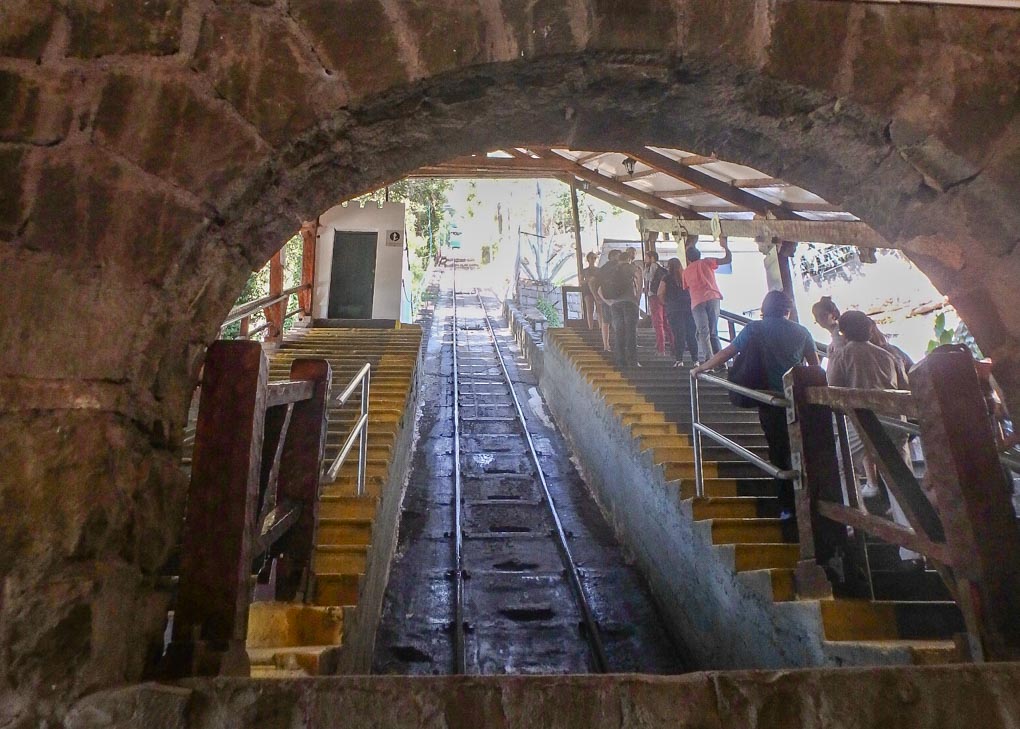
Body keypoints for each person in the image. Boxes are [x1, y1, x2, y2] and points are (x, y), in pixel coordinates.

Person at [692, 291, 819, 526]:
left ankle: (787, 507)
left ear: (764, 308)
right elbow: (815, 368)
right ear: (787, 310)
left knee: (778, 452)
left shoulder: (755, 329)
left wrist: (701, 368)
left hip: (769, 399)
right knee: (803, 450)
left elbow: (727, 353)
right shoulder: (802, 332)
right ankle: (813, 503)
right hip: (797, 400)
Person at [827, 310, 918, 564]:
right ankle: (912, 549)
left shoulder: (842, 354)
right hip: (895, 421)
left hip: (864, 420)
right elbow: (904, 388)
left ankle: (856, 516)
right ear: (868, 329)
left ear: (843, 331)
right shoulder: (888, 354)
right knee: (900, 477)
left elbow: (832, 390)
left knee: (842, 463)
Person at [683, 235, 731, 364]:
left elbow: (686, 288)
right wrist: (725, 246)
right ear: (699, 255)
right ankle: (721, 362)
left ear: (688, 259)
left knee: (703, 332)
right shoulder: (707, 261)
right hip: (713, 297)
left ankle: (709, 361)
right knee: (713, 332)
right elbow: (727, 259)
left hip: (697, 301)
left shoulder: (686, 271)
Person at [597, 247, 642, 368]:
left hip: (615, 304)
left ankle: (620, 361)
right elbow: (639, 276)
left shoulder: (611, 270)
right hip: (629, 302)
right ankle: (632, 361)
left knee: (619, 332)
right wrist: (638, 296)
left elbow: (599, 289)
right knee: (631, 331)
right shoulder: (630, 267)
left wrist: (608, 301)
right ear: (628, 259)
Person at [658, 258, 699, 367]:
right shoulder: (686, 276)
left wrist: (666, 304)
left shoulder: (666, 278)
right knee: (691, 334)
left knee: (678, 334)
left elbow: (660, 293)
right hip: (688, 308)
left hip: (674, 309)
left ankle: (679, 360)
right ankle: (696, 360)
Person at [593, 249, 622, 352]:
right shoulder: (618, 268)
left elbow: (596, 283)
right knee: (616, 321)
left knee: (606, 321)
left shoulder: (603, 269)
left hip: (606, 296)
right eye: (618, 256)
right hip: (616, 297)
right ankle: (617, 344)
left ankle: (606, 345)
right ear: (613, 256)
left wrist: (598, 296)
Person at [645, 250, 673, 356]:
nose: (645, 259)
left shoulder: (652, 266)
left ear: (652, 257)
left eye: (646, 257)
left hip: (654, 296)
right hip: (663, 296)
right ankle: (673, 345)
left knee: (658, 323)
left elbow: (649, 278)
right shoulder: (661, 268)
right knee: (665, 323)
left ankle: (661, 349)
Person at [579, 251, 599, 330]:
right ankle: (590, 327)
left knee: (599, 309)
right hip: (587, 290)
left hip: (597, 290)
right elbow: (581, 282)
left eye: (595, 258)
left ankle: (600, 326)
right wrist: (588, 280)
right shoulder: (584, 270)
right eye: (592, 258)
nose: (593, 259)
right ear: (588, 259)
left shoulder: (599, 270)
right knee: (590, 309)